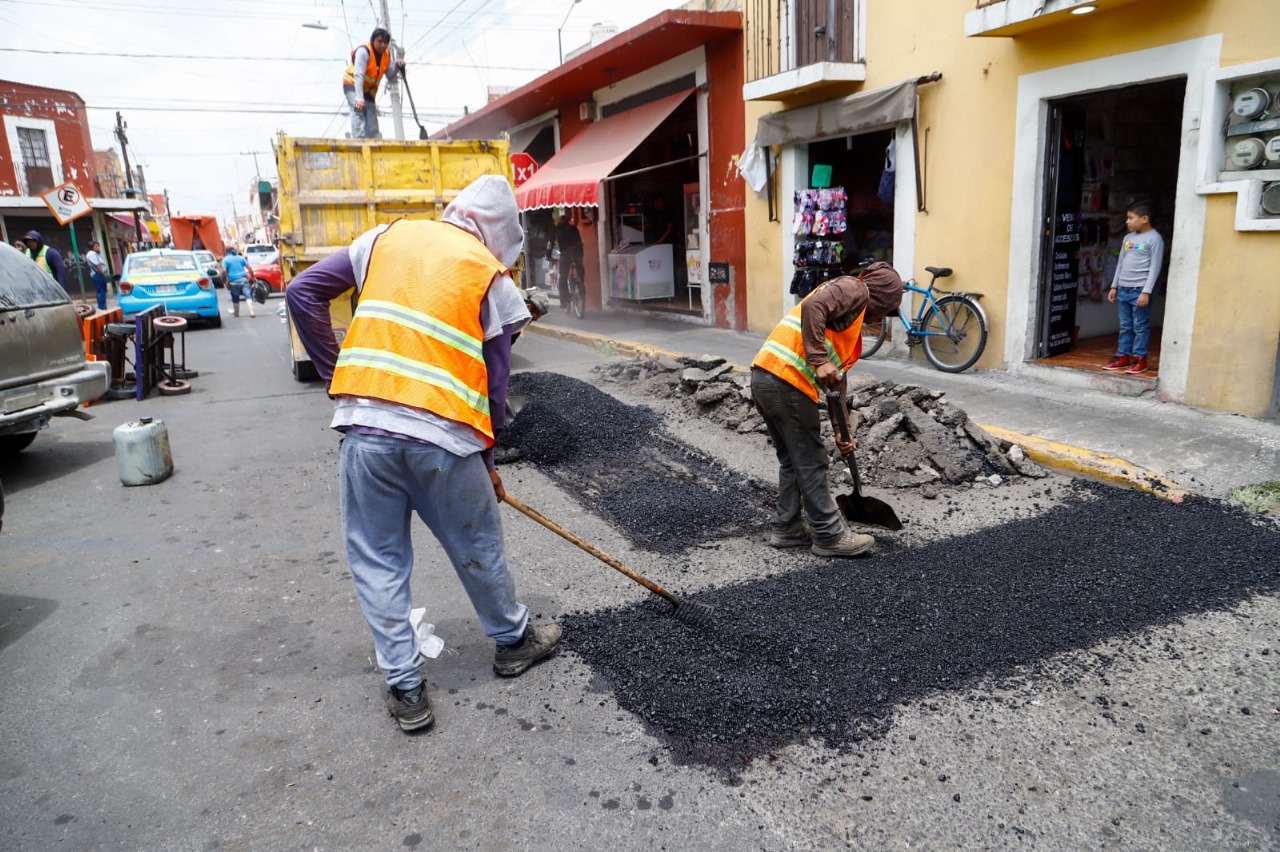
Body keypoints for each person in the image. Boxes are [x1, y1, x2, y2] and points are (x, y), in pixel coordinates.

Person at [285, 175, 562, 733]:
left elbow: (301, 292)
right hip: (446, 439)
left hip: (367, 433)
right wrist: (487, 462)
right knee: (476, 542)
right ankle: (513, 642)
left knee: (378, 559)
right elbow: (495, 387)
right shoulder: (490, 276)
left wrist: (337, 377)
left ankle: (407, 689)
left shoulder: (385, 239)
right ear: (500, 234)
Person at [750, 261, 904, 558]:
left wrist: (841, 429)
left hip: (766, 378)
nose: (882, 317)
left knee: (793, 461)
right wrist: (819, 360)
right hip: (787, 382)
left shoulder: (850, 323)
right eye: (886, 310)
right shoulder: (855, 289)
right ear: (882, 299)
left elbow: (836, 383)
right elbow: (814, 305)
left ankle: (787, 527)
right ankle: (829, 535)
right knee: (812, 461)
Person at [1102, 201, 1164, 375]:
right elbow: (1120, 263)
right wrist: (1114, 286)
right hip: (1123, 289)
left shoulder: (1154, 239)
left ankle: (1139, 358)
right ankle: (1122, 356)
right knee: (1125, 326)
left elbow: (1155, 267)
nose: (1127, 222)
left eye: (1131, 218)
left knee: (1140, 326)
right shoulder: (1128, 238)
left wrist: (1146, 291)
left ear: (1144, 219)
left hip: (1139, 290)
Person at [342, 27, 405, 140]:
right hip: (352, 84)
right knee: (358, 112)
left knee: (372, 126)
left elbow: (390, 75)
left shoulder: (386, 55)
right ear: (373, 40)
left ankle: (374, 145)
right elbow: (358, 75)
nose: (383, 45)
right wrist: (359, 99)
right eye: (379, 41)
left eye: (385, 42)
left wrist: (397, 66)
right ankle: (359, 142)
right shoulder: (364, 51)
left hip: (369, 91)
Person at [550, 213, 583, 310]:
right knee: (580, 270)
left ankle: (564, 301)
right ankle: (581, 287)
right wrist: (581, 254)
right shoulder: (573, 228)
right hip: (577, 252)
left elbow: (550, 243)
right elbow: (580, 242)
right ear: (568, 221)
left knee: (563, 277)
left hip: (565, 254)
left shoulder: (557, 229)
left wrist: (548, 255)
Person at [221, 246, 256, 318]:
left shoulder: (225, 259)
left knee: (235, 296)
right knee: (248, 295)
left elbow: (224, 270)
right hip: (244, 280)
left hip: (233, 281)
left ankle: (236, 313)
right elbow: (249, 268)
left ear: (226, 252)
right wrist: (253, 276)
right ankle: (251, 311)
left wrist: (225, 280)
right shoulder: (240, 258)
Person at [85, 241, 109, 310]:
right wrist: (103, 274)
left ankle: (102, 307)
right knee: (101, 291)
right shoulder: (91, 254)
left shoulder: (94, 254)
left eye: (98, 246)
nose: (98, 248)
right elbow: (97, 265)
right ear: (92, 247)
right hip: (98, 274)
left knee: (101, 291)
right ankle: (102, 307)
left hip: (99, 274)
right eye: (96, 246)